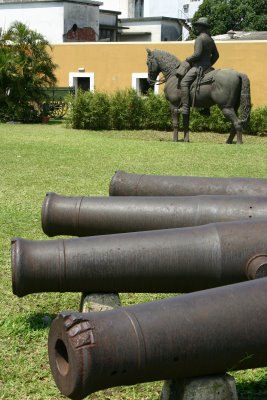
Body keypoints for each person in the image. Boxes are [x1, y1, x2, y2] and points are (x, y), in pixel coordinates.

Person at [178, 17, 219, 115]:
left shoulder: (200, 39)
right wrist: (209, 64)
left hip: (198, 67)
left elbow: (197, 54)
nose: (197, 28)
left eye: (198, 26)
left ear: (202, 27)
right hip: (208, 68)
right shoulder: (210, 40)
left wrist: (188, 59)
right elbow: (216, 55)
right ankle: (206, 107)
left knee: (184, 83)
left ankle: (185, 108)